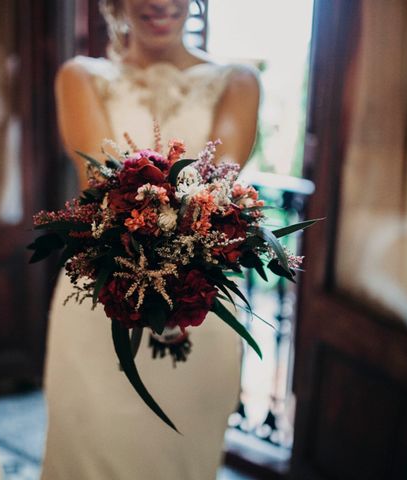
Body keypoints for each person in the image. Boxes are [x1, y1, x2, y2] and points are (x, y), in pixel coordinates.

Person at [41, 0, 260, 478]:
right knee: (92, 444)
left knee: (182, 451)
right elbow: (99, 181)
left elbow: (218, 185)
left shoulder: (237, 81)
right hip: (102, 291)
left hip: (202, 298)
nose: (159, 2)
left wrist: (181, 276)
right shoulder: (80, 76)